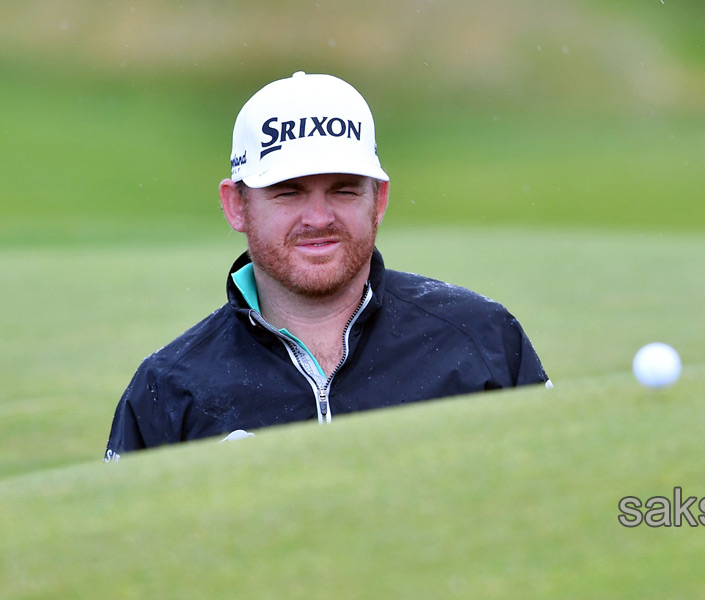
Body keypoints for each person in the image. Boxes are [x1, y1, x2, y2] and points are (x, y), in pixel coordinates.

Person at [104, 71, 549, 460]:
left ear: (380, 200)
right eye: (288, 192)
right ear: (235, 205)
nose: (318, 218)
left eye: (344, 190)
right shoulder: (168, 389)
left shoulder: (481, 339)